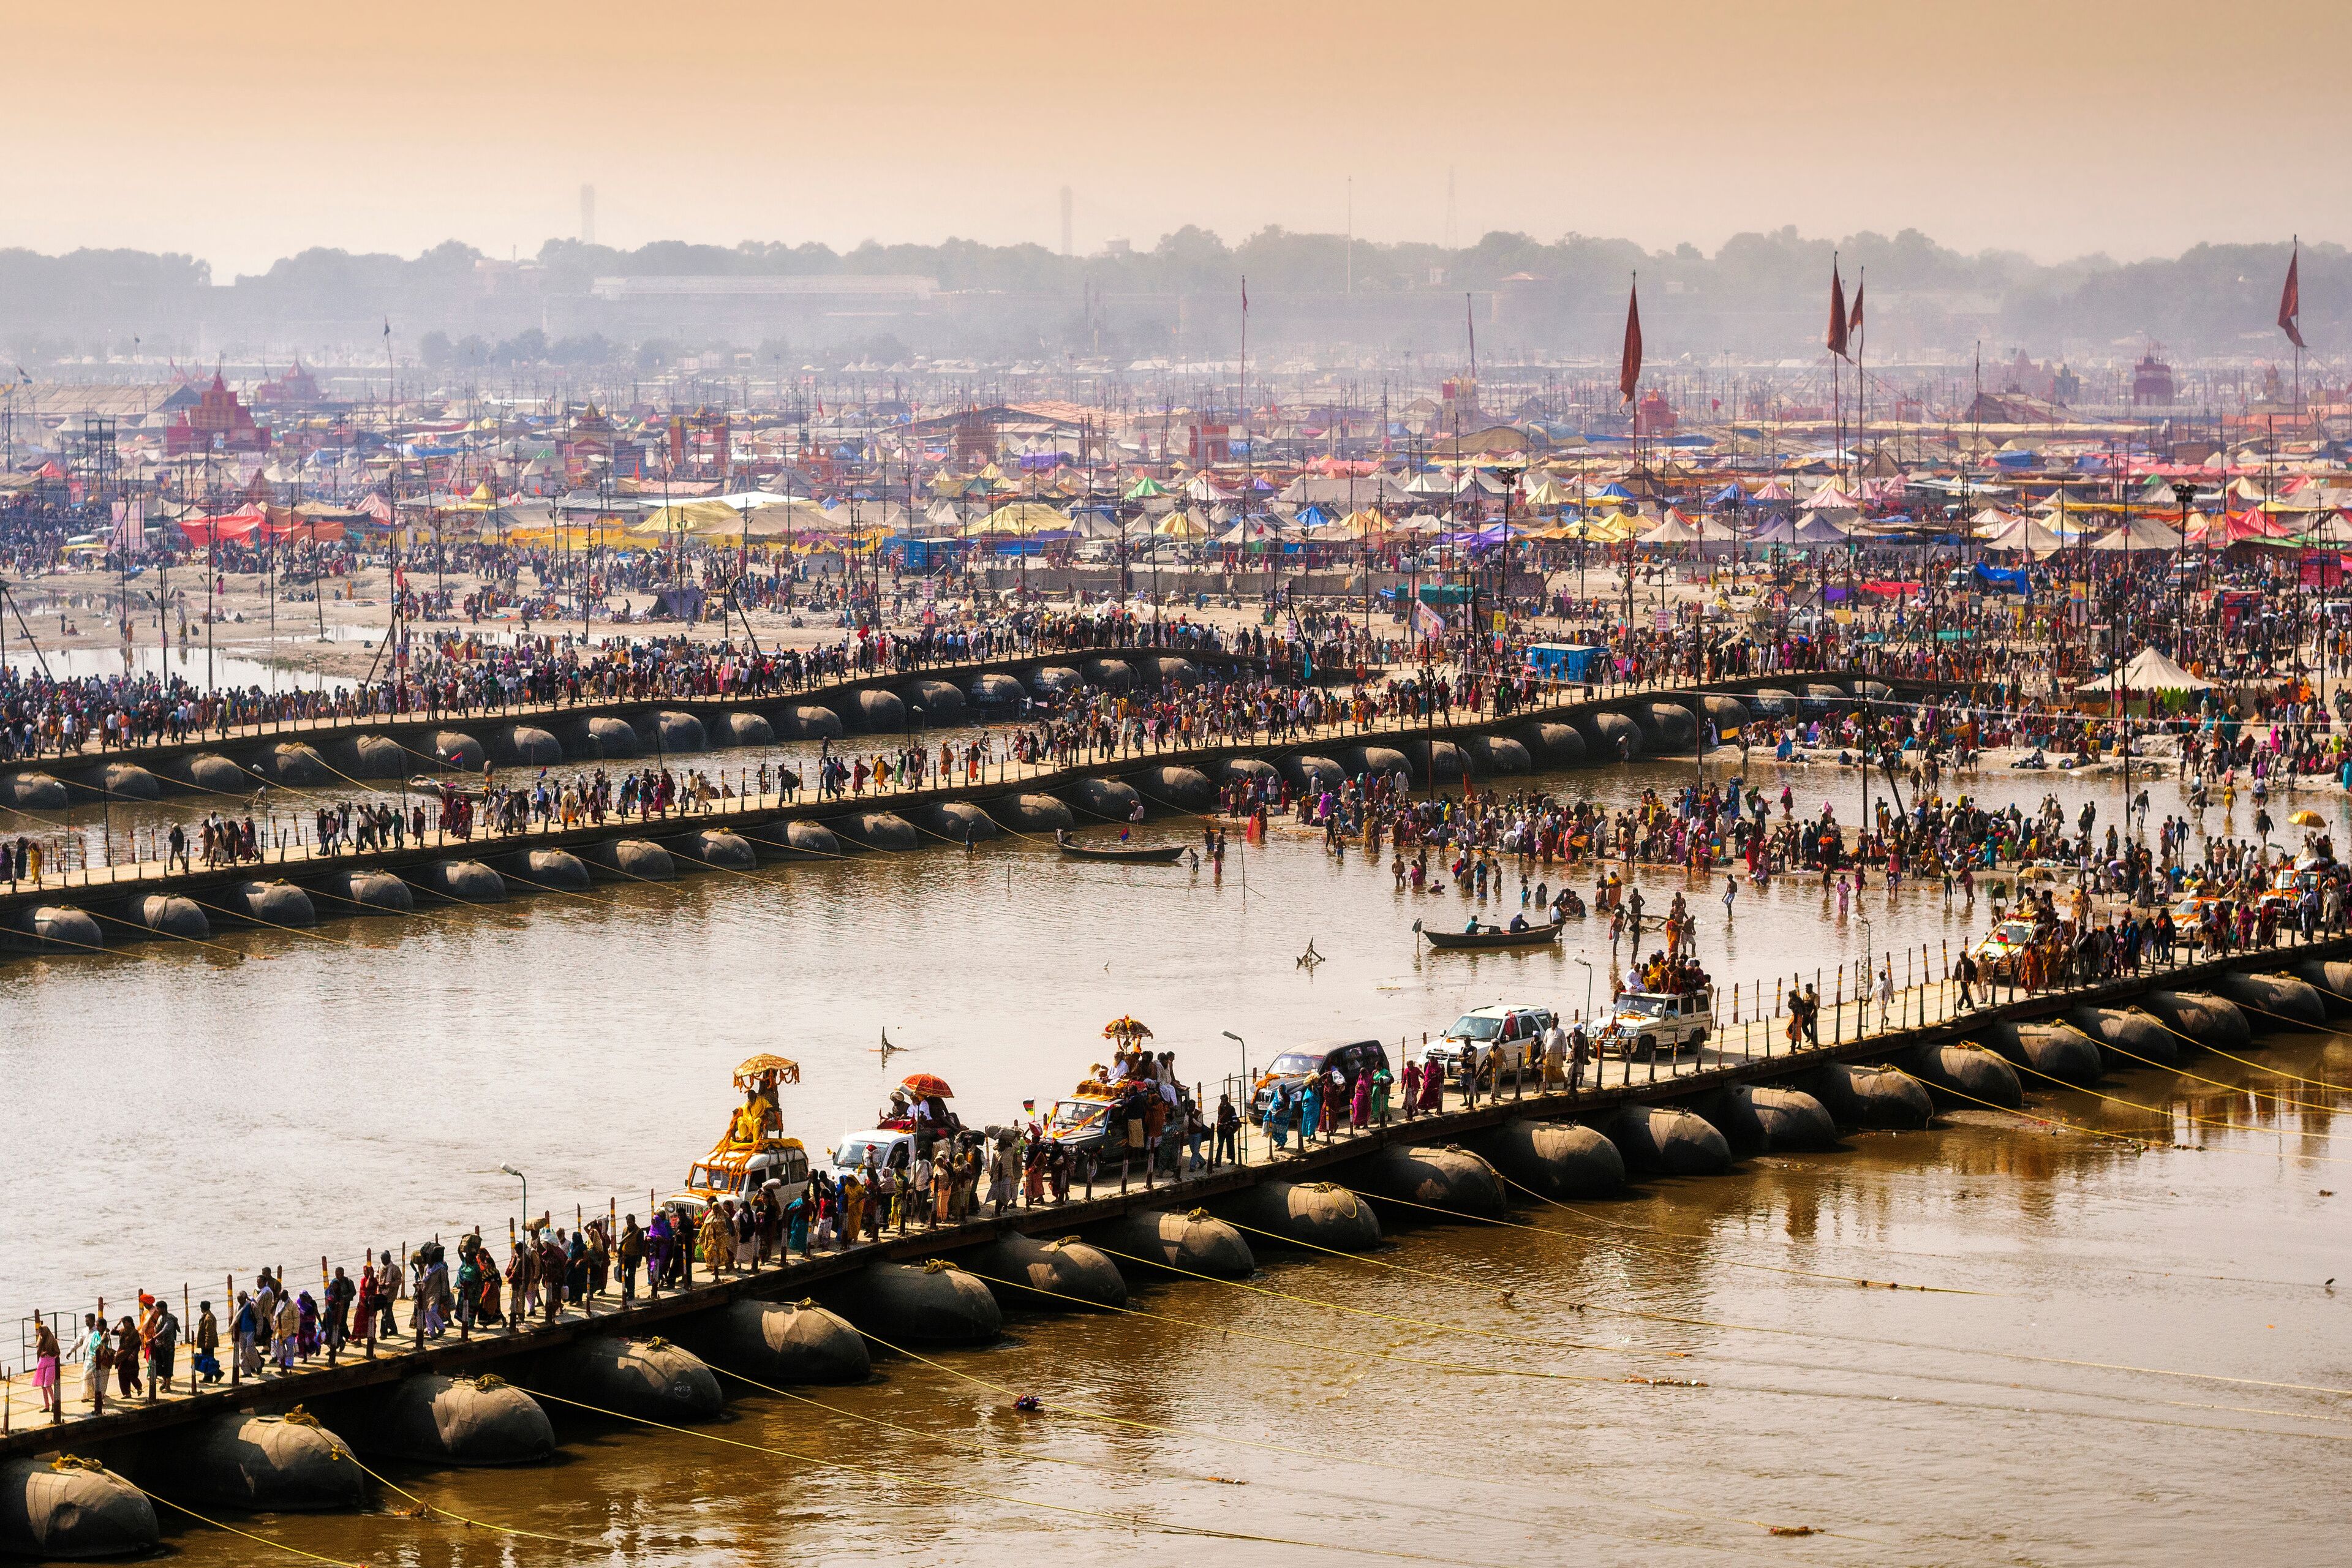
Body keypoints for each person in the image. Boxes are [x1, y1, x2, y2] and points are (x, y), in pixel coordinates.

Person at [32, 1319, 62, 1416]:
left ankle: (54, 1404)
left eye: (41, 1332)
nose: (40, 1333)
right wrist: (40, 1344)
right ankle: (46, 1406)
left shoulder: (52, 1340)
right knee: (42, 1385)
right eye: (39, 1332)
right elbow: (38, 1352)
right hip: (42, 1362)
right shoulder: (41, 1339)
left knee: (47, 1384)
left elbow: (58, 1352)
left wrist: (48, 1353)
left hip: (51, 1361)